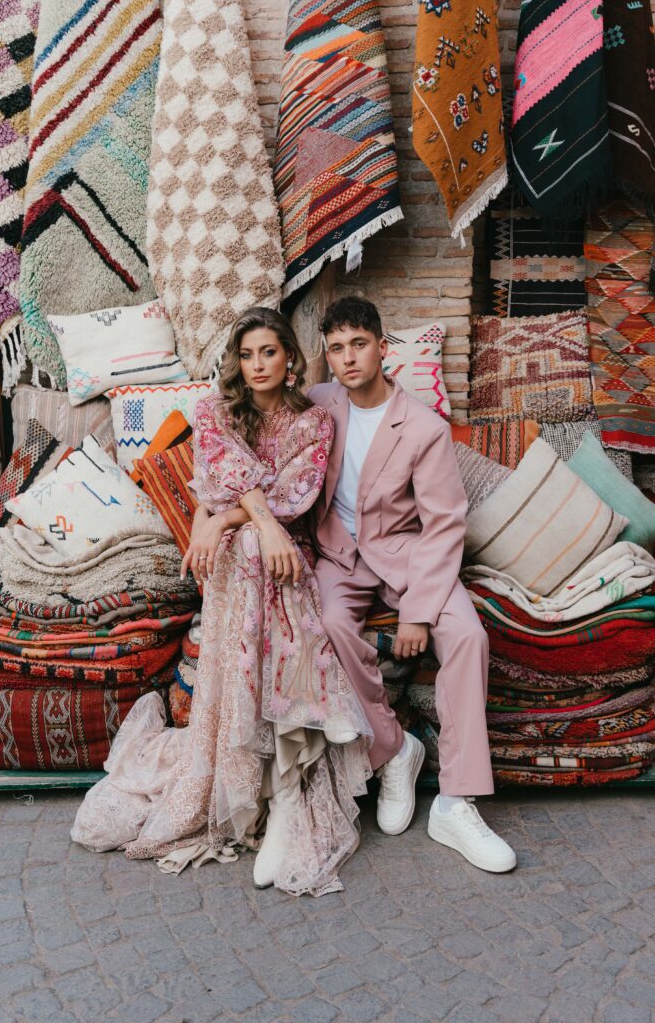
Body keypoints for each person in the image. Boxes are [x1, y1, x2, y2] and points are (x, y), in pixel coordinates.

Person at [71, 307, 372, 897]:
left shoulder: (313, 423)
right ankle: (274, 779)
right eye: (247, 354)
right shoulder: (214, 413)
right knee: (253, 551)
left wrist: (228, 518)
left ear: (290, 360)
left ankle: (288, 792)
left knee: (259, 550)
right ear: (235, 362)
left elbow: (294, 497)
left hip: (288, 553)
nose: (257, 365)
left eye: (269, 352)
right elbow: (220, 473)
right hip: (250, 561)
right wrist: (244, 520)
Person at [309, 296, 516, 874]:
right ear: (328, 360)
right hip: (340, 557)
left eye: (359, 344)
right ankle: (394, 750)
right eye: (337, 348)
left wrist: (419, 612)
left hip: (409, 556)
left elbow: (446, 523)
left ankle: (456, 801)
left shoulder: (423, 426)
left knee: (469, 638)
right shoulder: (320, 404)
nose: (349, 358)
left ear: (382, 347)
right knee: (327, 625)